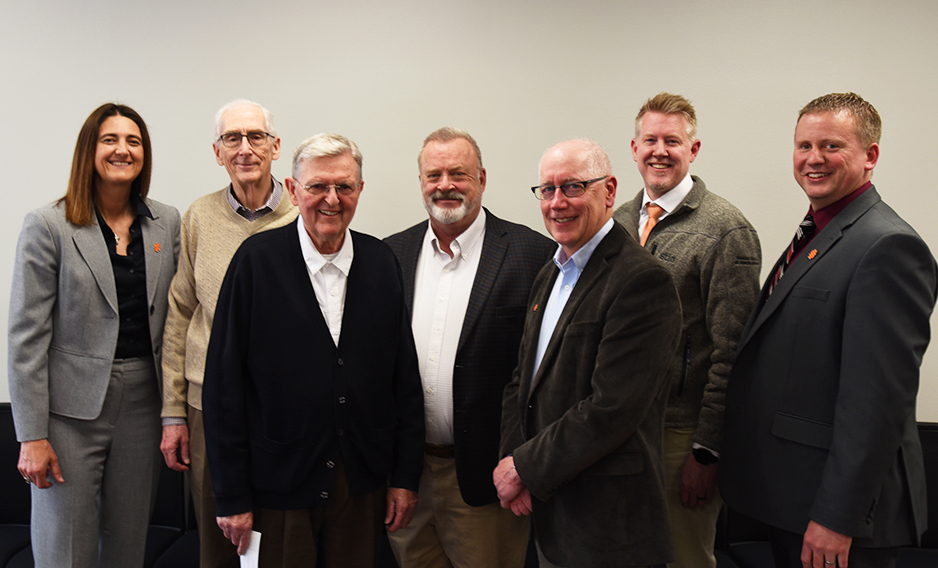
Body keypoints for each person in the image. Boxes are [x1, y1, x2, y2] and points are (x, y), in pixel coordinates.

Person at [721, 92, 938, 568]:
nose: (813, 159)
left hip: (836, 519)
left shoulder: (888, 246)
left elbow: (876, 403)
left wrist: (837, 517)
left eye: (831, 146)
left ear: (870, 156)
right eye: (803, 146)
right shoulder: (820, 232)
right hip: (793, 498)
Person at [202, 133, 425, 566]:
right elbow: (223, 387)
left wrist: (404, 477)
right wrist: (231, 495)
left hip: (361, 484)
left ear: (360, 190)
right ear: (293, 189)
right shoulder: (255, 262)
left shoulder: (382, 263)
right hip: (279, 483)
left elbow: (403, 380)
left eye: (344, 187)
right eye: (317, 186)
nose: (331, 199)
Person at [495, 139, 682, 568]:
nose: (557, 203)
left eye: (573, 187)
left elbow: (611, 408)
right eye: (547, 189)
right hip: (552, 507)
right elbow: (521, 379)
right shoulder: (551, 272)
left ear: (610, 191)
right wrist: (513, 458)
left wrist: (524, 467)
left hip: (607, 524)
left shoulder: (641, 280)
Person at [9, 103, 181, 567]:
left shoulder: (167, 222)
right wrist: (31, 436)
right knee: (65, 547)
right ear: (89, 150)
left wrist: (175, 412)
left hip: (144, 404)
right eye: (110, 140)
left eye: (134, 141)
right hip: (68, 413)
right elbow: (26, 336)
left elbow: (176, 318)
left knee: (127, 544)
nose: (122, 150)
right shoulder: (49, 225)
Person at [385, 127, 554, 568]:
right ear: (420, 181)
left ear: (481, 177)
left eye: (458, 173)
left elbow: (549, 376)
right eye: (433, 174)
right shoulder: (390, 256)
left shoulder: (533, 255)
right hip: (409, 479)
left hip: (489, 480)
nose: (445, 184)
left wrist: (527, 465)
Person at [612, 93, 762, 568]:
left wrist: (707, 451)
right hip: (617, 428)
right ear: (633, 148)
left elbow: (732, 350)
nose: (660, 150)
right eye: (650, 140)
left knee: (681, 559)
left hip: (680, 435)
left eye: (672, 141)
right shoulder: (614, 223)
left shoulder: (726, 229)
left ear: (693, 150)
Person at [159, 99, 297, 567]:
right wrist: (173, 413)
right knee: (218, 538)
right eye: (231, 139)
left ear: (275, 147)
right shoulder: (198, 217)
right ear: (217, 153)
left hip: (285, 409)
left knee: (280, 536)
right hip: (207, 406)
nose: (245, 149)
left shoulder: (305, 214)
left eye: (255, 136)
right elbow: (180, 314)